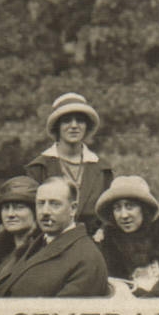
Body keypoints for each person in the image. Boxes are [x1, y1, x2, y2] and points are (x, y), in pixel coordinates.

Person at [0, 177, 109, 297]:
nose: (45, 211)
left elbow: (63, 313)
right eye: (41, 203)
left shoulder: (86, 257)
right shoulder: (36, 244)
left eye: (54, 204)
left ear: (73, 209)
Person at [26, 92, 113, 232]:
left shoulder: (102, 170)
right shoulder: (39, 167)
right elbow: (31, 217)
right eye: (67, 121)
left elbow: (109, 214)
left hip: (93, 241)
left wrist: (102, 231)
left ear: (87, 126)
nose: (74, 126)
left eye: (80, 121)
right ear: (57, 126)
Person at [94, 175, 159, 291]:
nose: (124, 215)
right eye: (117, 208)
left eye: (130, 206)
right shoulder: (107, 240)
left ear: (143, 209)